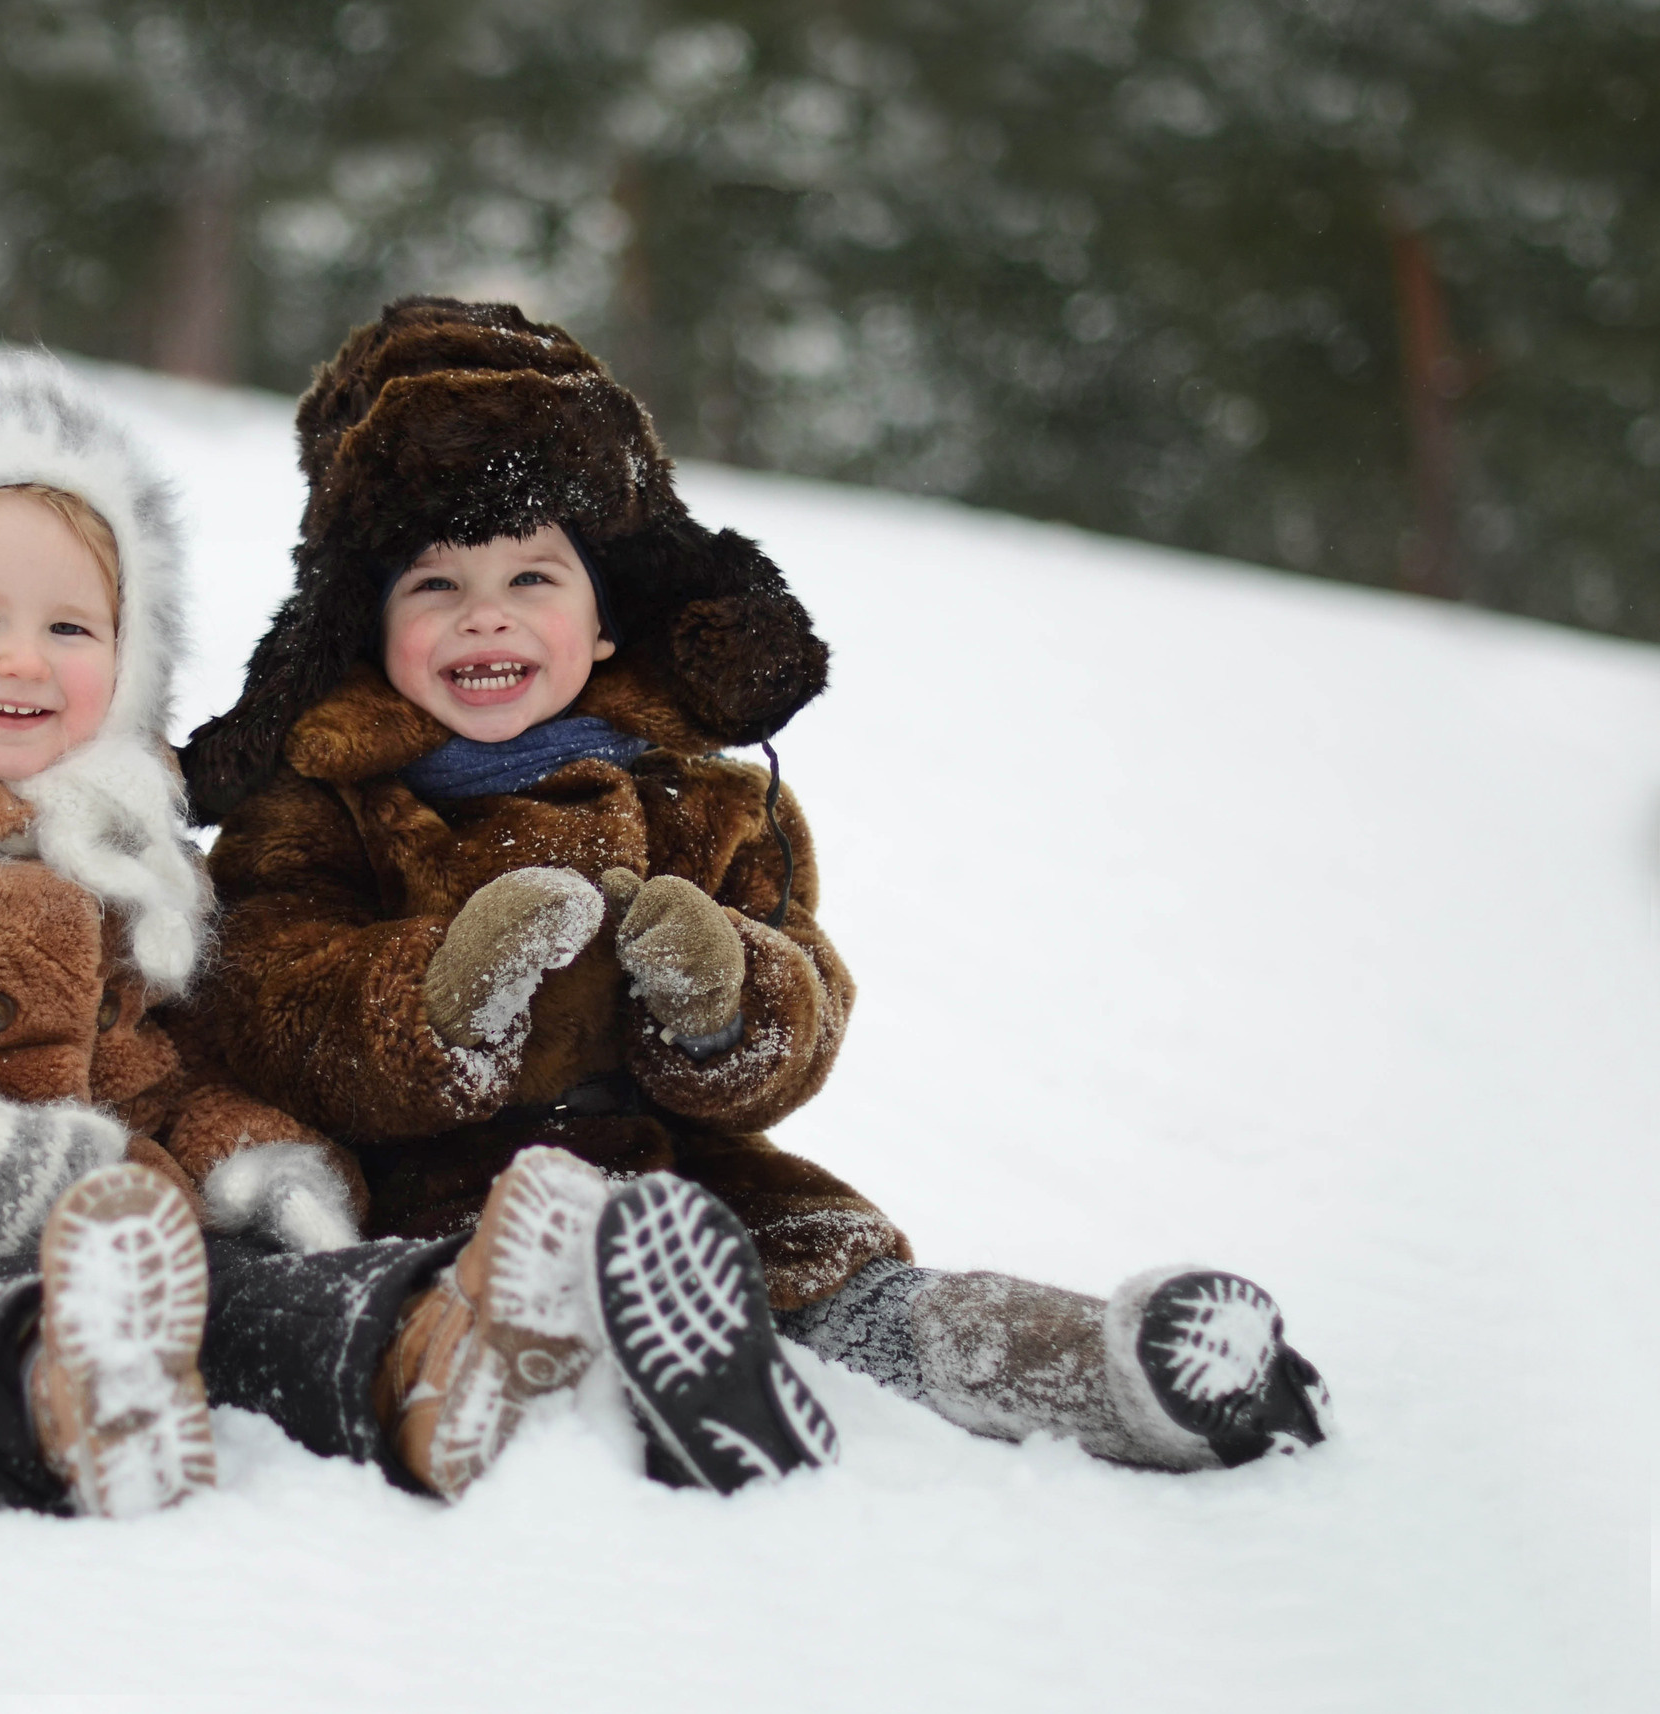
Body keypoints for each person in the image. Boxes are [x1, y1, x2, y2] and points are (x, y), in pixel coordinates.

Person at [0, 359, 821, 1518]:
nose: (23, 657)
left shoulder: (119, 854)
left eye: (73, 629)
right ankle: (69, 1398)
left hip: (105, 1235)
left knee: (249, 1298)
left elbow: (176, 1062)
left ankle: (431, 1346)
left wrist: (258, 1162)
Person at [173, 298, 1329, 1475]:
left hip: (696, 1183)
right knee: (506, 1284)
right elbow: (258, 992)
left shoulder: (708, 803)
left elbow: (806, 1015)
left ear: (607, 623)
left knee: (853, 1289)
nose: (486, 615)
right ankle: (653, 1374)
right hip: (434, 1191)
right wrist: (438, 996)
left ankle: (1104, 1369)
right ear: (367, 631)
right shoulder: (323, 806)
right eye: (433, 586)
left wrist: (721, 1000)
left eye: (531, 575)